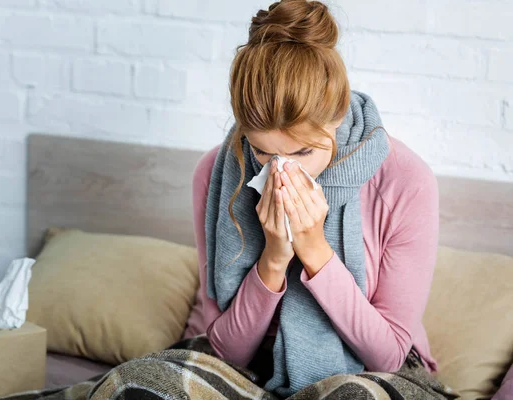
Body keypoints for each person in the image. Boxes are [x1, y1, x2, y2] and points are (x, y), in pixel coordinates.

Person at [180, 0, 450, 397]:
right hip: (251, 367)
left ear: (338, 115)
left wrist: (313, 249)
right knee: (142, 381)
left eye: (303, 152)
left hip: (372, 373)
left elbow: (387, 355)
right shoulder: (217, 173)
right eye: (263, 153)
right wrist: (273, 257)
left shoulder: (406, 180)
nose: (282, 171)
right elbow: (226, 351)